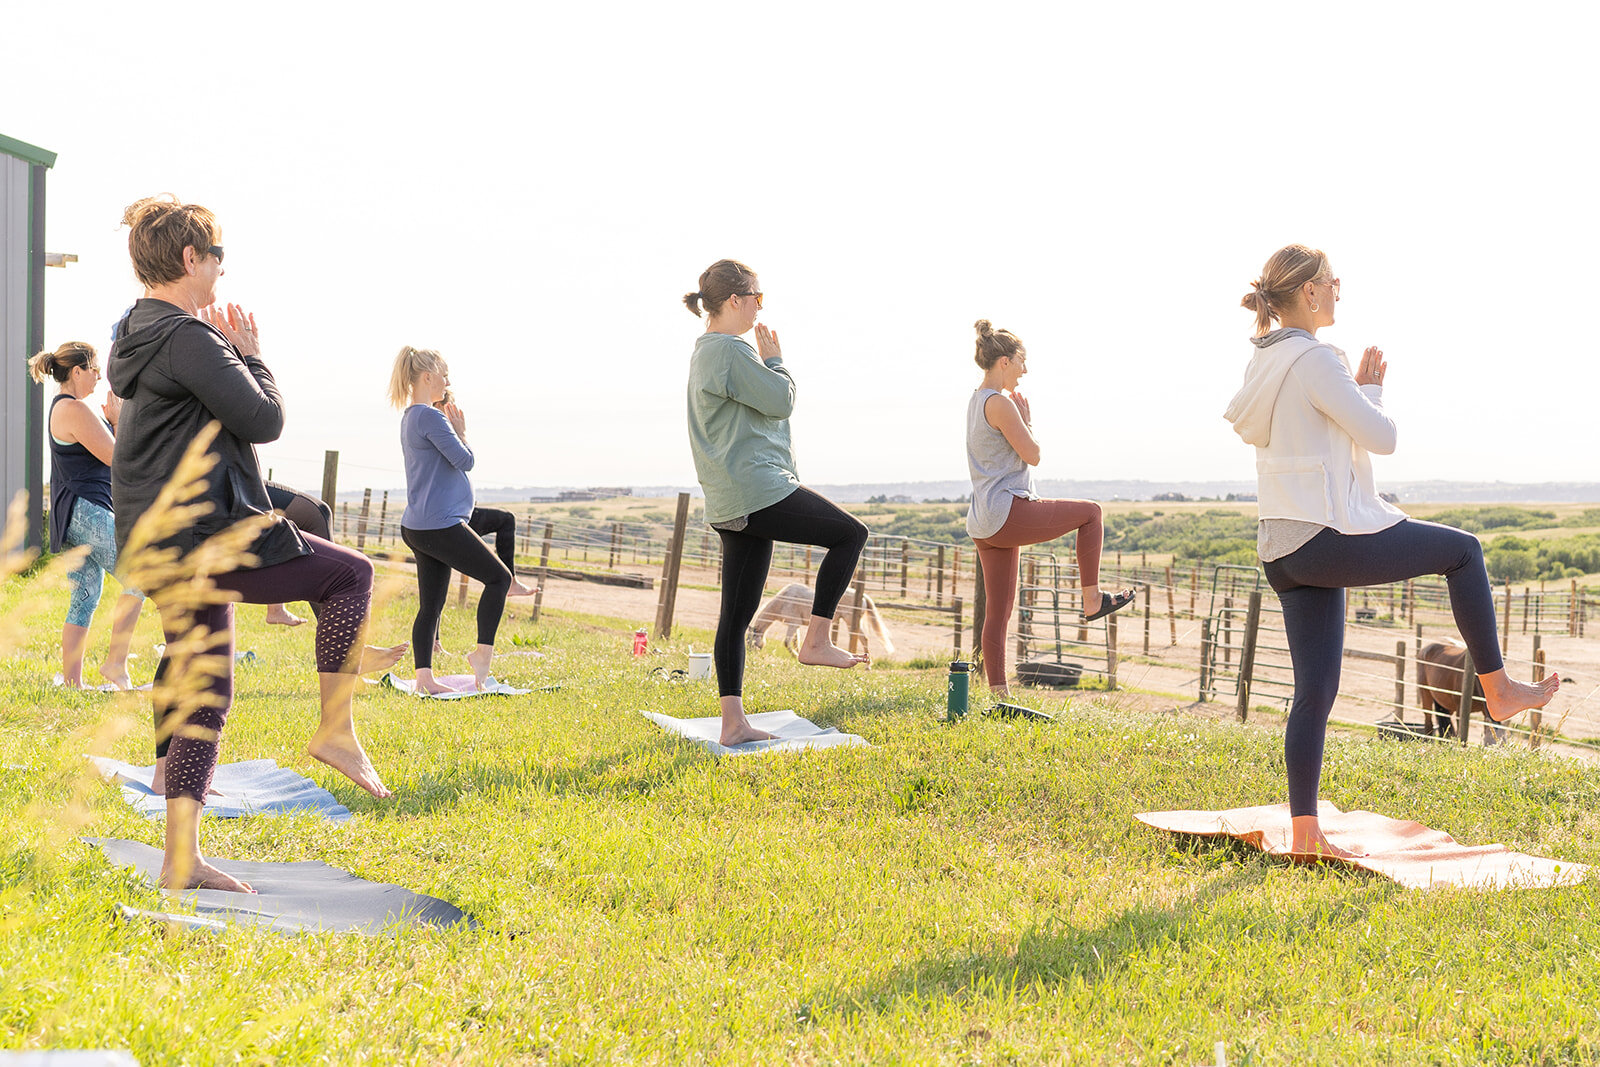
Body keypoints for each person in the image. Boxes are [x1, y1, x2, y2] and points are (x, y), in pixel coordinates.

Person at [1224, 244, 1560, 860]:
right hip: (1325, 538)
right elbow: (1383, 438)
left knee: (1316, 689)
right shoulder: (1318, 358)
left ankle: (1306, 834)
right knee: (1464, 552)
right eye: (1331, 281)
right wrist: (1371, 389)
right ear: (1307, 292)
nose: (1338, 288)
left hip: (1282, 549)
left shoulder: (1263, 362)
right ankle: (1500, 689)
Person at [109, 195, 391, 894]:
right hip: (207, 533)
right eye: (218, 258)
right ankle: (334, 730)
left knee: (203, 681)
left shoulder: (134, 335)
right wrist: (252, 355)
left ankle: (181, 859)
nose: (222, 272)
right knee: (349, 576)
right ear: (189, 259)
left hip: (155, 538)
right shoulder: (188, 337)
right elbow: (263, 419)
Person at [684, 259, 870, 746]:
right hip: (758, 489)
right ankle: (816, 640)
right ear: (734, 301)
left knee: (736, 614)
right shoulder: (730, 351)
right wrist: (775, 360)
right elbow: (781, 400)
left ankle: (733, 723)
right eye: (757, 299)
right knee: (851, 534)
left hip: (730, 499)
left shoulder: (706, 351)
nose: (760, 308)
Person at [965, 320, 1134, 697]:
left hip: (983, 521)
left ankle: (999, 695)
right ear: (1005, 361)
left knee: (998, 613)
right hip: (1006, 512)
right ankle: (1092, 599)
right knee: (1091, 513)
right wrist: (1027, 422)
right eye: (1022, 362)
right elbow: (1034, 455)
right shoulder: (1002, 404)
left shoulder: (976, 401)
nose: (1025, 370)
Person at [390, 348, 527, 693]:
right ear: (427, 377)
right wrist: (461, 431)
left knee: (431, 605)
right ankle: (482, 655)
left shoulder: (410, 416)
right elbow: (464, 460)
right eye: (444, 374)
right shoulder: (432, 418)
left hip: (420, 525)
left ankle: (425, 680)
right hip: (439, 524)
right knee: (499, 578)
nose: (447, 381)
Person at [28, 342, 146, 689]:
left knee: (85, 597)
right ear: (76, 372)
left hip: (71, 513)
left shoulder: (66, 408)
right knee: (140, 573)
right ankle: (115, 665)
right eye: (93, 368)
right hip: (86, 509)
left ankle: (71, 683)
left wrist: (110, 421)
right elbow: (117, 459)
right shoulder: (75, 409)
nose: (98, 375)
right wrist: (120, 421)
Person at [260, 481, 409, 673]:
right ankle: (351, 652)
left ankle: (276, 607)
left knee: (299, 518)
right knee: (317, 514)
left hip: (232, 469)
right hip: (224, 475)